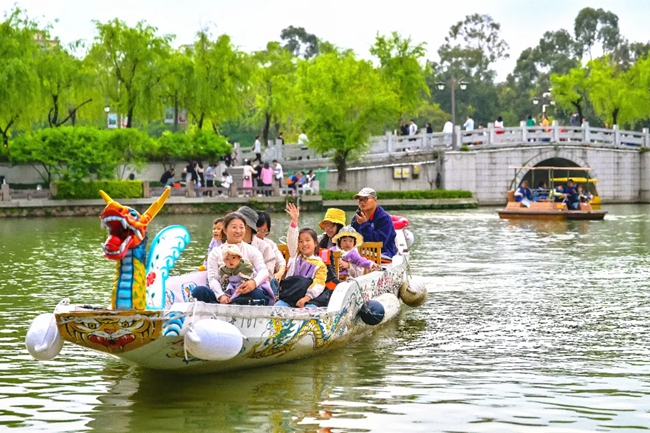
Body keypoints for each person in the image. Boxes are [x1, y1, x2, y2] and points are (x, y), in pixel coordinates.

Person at [193, 212, 271, 305]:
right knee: (199, 291)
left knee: (257, 295)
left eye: (241, 227)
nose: (238, 231)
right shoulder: (215, 252)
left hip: (244, 292)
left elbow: (263, 271)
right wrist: (221, 295)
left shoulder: (252, 250)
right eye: (234, 227)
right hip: (223, 295)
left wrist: (254, 283)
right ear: (225, 230)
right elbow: (213, 278)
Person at [275, 203, 327, 309]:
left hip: (308, 299)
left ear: (315, 243)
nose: (304, 244)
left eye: (308, 240)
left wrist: (306, 298)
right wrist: (294, 221)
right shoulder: (295, 256)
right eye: (301, 241)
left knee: (310, 309)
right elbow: (291, 240)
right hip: (290, 296)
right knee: (276, 307)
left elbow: (319, 284)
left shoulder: (320, 264)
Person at [351, 188, 397, 259]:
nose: (362, 202)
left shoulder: (384, 218)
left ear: (375, 200)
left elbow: (379, 242)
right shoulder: (356, 218)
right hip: (361, 254)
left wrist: (364, 224)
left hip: (383, 254)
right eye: (360, 200)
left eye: (365, 199)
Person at [237, 206, 277, 279]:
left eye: (240, 224)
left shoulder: (265, 247)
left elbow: (269, 274)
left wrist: (253, 283)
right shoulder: (229, 244)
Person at [256, 211, 287, 296]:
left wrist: (280, 273)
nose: (261, 234)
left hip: (268, 281)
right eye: (258, 230)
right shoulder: (247, 243)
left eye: (265, 231)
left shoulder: (270, 244)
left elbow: (281, 262)